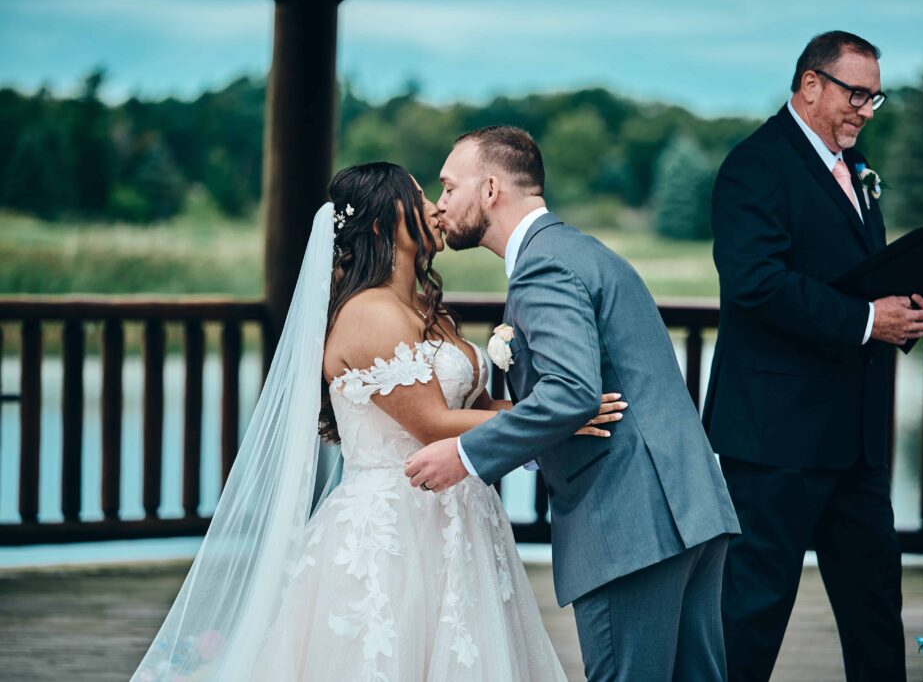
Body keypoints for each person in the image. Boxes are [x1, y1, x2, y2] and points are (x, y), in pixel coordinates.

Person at [132, 161, 627, 681]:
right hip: (395, 527)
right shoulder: (369, 313)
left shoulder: (424, 308)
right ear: (378, 224)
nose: (436, 206)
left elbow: (477, 411)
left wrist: (562, 410)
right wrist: (553, 420)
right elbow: (435, 424)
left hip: (461, 515)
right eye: (417, 196)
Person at [406, 126, 740, 681]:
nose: (440, 205)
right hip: (689, 508)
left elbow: (571, 392)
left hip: (630, 524)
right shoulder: (581, 249)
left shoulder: (543, 266)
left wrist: (465, 454)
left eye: (448, 186)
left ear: (490, 189)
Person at [703, 31, 923, 682]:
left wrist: (904, 310)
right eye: (856, 93)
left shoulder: (855, 174)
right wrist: (867, 320)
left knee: (873, 610)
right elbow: (757, 284)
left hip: (855, 438)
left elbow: (856, 278)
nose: (866, 109)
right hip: (776, 437)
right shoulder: (756, 165)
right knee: (751, 614)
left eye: (874, 97)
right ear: (811, 85)